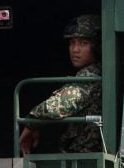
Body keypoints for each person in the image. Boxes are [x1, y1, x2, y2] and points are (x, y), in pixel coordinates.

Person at [19, 14, 103, 155]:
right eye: (72, 43)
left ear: (97, 46)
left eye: (83, 43)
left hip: (85, 158)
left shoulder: (93, 75)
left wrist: (31, 123)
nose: (75, 49)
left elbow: (56, 106)